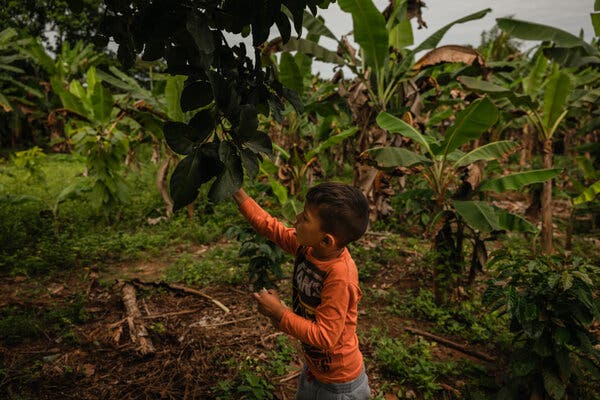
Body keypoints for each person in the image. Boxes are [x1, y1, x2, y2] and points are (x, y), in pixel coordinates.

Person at [232, 182, 371, 400]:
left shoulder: (340, 277)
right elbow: (271, 227)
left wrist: (279, 312)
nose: (296, 217)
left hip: (339, 385)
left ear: (326, 240)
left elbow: (325, 336)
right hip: (314, 370)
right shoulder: (308, 247)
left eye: (305, 217)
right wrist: (235, 190)